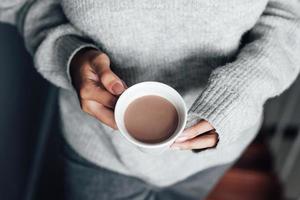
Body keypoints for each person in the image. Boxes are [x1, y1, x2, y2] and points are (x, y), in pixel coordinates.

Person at [1, 0, 300, 199]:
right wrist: (68, 52)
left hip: (215, 151)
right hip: (99, 150)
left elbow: (290, 18)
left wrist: (236, 93)